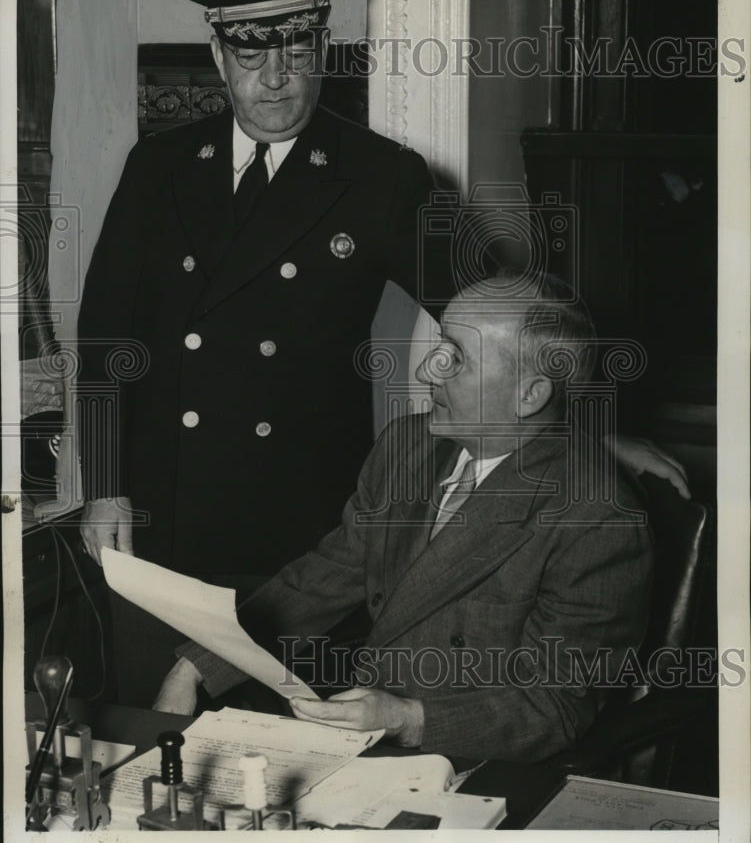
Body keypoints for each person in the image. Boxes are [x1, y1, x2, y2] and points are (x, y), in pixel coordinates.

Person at [76, 0, 457, 705]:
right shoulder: (159, 167)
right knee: (157, 749)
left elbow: (490, 312)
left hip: (294, 537)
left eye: (296, 47)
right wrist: (107, 488)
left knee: (276, 758)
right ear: (219, 56)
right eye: (251, 51)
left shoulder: (382, 176)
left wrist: (576, 413)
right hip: (160, 520)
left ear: (322, 49)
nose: (275, 75)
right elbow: (104, 338)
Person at [153, 271, 654, 763]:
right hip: (365, 729)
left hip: (477, 759)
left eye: (456, 359)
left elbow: (553, 709)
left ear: (530, 394)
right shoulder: (407, 446)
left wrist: (408, 720)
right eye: (440, 347)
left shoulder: (598, 519)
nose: (427, 371)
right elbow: (320, 583)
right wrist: (196, 666)